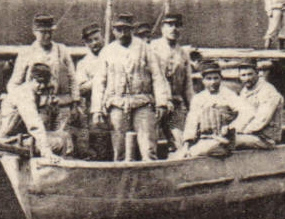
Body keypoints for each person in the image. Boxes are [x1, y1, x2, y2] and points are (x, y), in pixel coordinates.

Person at [91, 12, 172, 161]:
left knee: (148, 146)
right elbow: (99, 82)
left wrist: (161, 103)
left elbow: (157, 77)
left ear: (132, 29)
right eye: (119, 29)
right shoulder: (107, 51)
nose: (123, 33)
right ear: (113, 30)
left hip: (142, 101)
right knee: (119, 147)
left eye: (126, 29)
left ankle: (149, 170)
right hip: (117, 102)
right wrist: (97, 109)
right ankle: (121, 172)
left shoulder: (145, 48)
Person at [0, 63, 72, 160]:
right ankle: (54, 166)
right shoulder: (24, 95)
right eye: (39, 82)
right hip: (6, 142)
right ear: (30, 79)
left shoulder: (32, 92)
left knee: (65, 136)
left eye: (45, 83)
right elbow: (34, 125)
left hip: (18, 137)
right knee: (59, 142)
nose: (42, 86)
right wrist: (46, 150)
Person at [148, 13, 193, 157]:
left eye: (177, 25)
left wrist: (192, 106)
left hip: (176, 103)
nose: (174, 29)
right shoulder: (152, 48)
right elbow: (155, 76)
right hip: (155, 103)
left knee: (180, 142)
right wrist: (162, 100)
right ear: (162, 28)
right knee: (149, 143)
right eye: (170, 25)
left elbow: (188, 83)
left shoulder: (183, 53)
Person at [181, 59, 241, 158]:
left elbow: (245, 113)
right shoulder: (198, 98)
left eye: (216, 78)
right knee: (184, 153)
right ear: (203, 80)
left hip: (224, 141)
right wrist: (187, 143)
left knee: (198, 151)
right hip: (205, 139)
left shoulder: (229, 95)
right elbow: (191, 122)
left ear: (221, 78)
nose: (213, 82)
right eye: (209, 79)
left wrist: (231, 127)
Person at [8, 14, 75, 102]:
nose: (47, 36)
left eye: (50, 32)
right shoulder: (26, 53)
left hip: (58, 101)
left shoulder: (61, 50)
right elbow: (14, 84)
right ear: (34, 32)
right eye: (43, 32)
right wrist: (22, 100)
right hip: (35, 103)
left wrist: (75, 100)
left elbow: (72, 78)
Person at [73, 23, 111, 160]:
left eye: (96, 39)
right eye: (90, 41)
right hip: (95, 108)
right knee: (99, 142)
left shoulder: (113, 55)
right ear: (85, 44)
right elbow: (81, 88)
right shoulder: (84, 63)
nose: (94, 43)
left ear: (102, 38)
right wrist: (100, 79)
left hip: (115, 104)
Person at [228, 59, 284, 149]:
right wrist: (231, 129)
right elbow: (243, 116)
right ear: (239, 77)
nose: (247, 78)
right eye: (243, 75)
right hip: (252, 135)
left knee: (227, 141)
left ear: (257, 73)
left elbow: (262, 119)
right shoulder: (245, 91)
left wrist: (242, 132)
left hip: (266, 139)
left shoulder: (267, 91)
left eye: (250, 74)